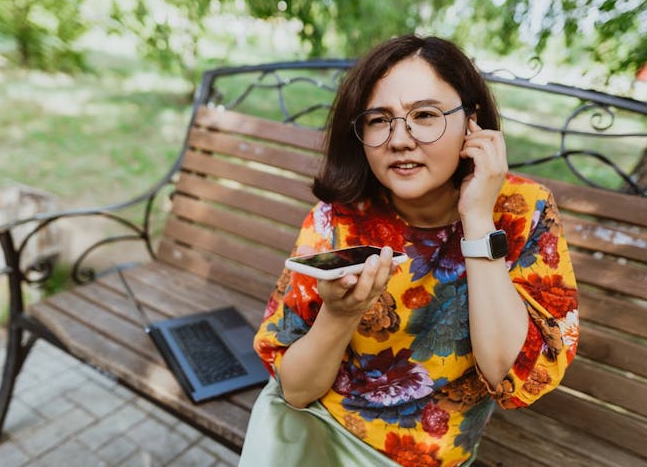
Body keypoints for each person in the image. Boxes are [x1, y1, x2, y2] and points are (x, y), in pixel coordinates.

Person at [240, 35, 579, 467]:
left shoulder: (520, 212)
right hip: (314, 431)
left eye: (425, 115)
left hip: (428, 457)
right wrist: (341, 314)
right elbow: (296, 391)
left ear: (471, 124)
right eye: (380, 120)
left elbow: (507, 374)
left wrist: (477, 219)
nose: (400, 139)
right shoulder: (338, 218)